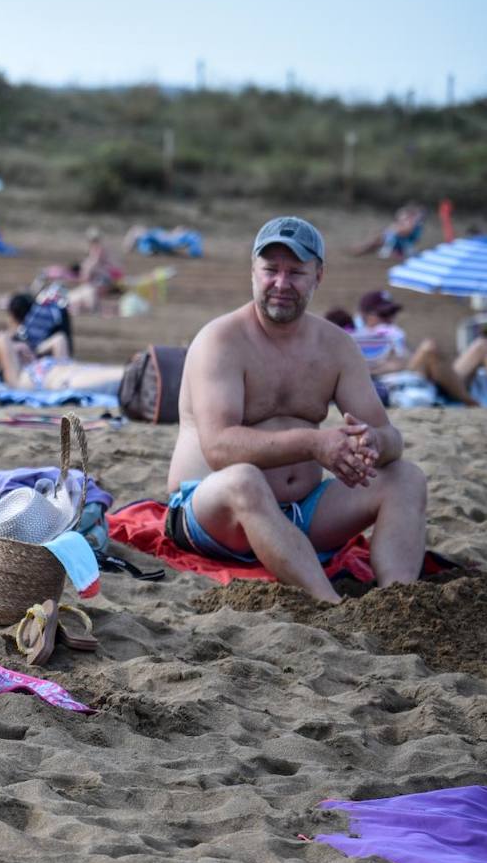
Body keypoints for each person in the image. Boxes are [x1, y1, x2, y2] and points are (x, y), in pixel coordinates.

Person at [165, 216, 427, 605]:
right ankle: (331, 605)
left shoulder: (336, 347)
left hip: (303, 512)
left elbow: (392, 440)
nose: (281, 284)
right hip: (211, 512)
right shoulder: (221, 340)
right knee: (244, 480)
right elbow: (219, 447)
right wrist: (315, 444)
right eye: (270, 270)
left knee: (406, 478)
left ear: (318, 275)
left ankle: (398, 603)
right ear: (253, 272)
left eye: (296, 272)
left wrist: (371, 442)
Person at [352, 288, 478, 406]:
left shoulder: (392, 334)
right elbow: (362, 371)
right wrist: (390, 365)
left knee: (481, 345)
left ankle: (464, 394)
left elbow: (404, 360)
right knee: (429, 348)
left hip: (427, 377)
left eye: (392, 313)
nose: (390, 318)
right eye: (384, 314)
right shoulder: (358, 338)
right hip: (407, 380)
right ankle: (471, 403)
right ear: (366, 316)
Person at [352, 203, 426, 259]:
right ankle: (360, 250)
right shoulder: (412, 222)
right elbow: (400, 230)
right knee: (377, 240)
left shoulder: (414, 224)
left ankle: (359, 250)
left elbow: (405, 232)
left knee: (379, 240)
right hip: (399, 241)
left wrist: (394, 230)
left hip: (403, 243)